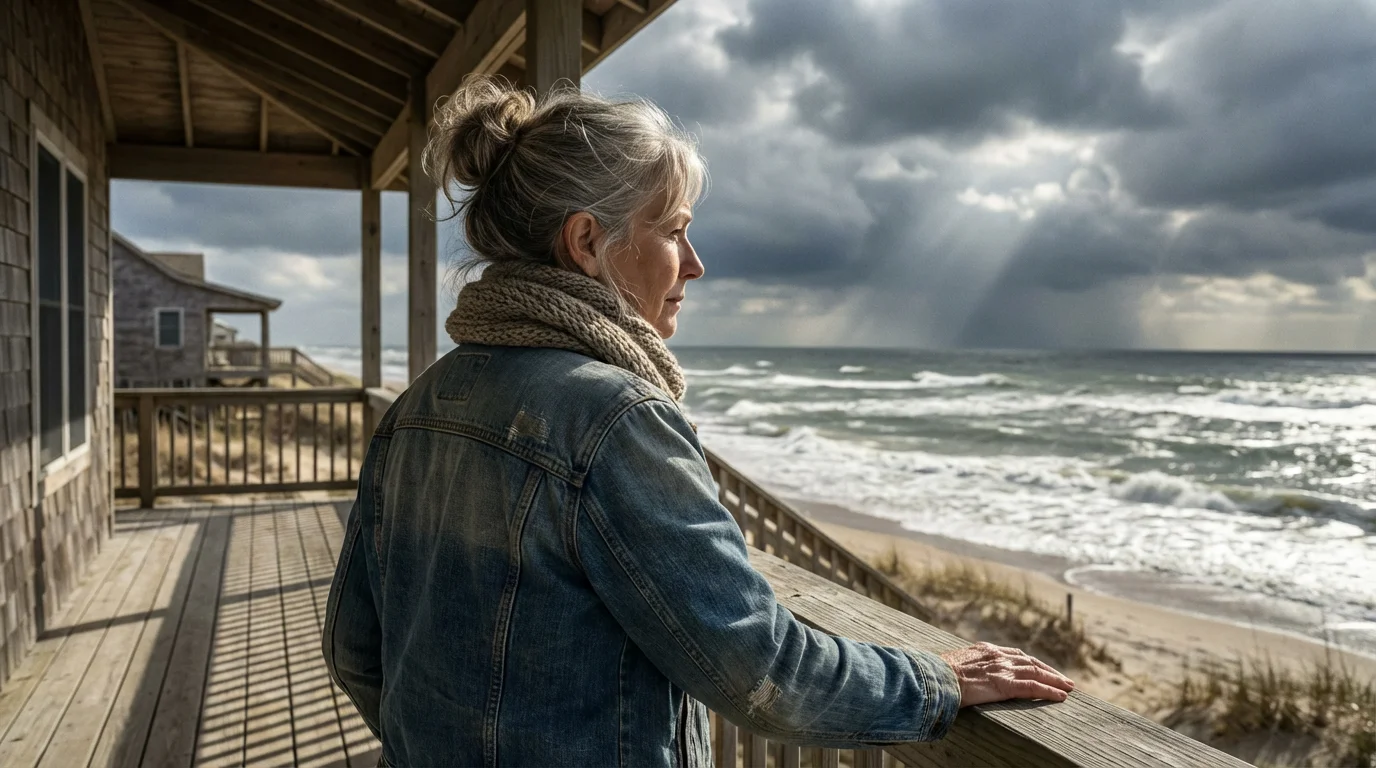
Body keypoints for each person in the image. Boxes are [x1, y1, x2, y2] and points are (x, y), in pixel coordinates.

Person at [322, 76, 1074, 768]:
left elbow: (353, 646)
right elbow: (758, 669)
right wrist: (936, 679)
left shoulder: (421, 403)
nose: (695, 263)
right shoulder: (615, 417)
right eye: (674, 230)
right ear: (587, 243)